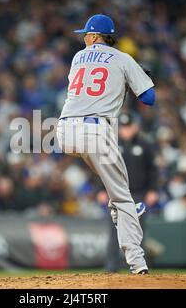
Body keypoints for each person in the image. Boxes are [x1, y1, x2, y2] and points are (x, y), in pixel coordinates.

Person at [57, 14, 156, 274]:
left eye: (85, 35)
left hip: (64, 131)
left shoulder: (78, 57)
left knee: (116, 192)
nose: (84, 39)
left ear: (93, 36)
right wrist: (137, 76)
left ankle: (117, 209)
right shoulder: (124, 58)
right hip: (96, 132)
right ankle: (138, 263)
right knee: (125, 200)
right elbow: (149, 98)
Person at [105, 112, 158, 272]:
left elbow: (153, 170)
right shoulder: (113, 144)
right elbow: (104, 168)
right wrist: (101, 190)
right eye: (123, 127)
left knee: (138, 231)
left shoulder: (145, 145)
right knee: (114, 231)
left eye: (129, 127)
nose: (126, 131)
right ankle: (111, 268)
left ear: (135, 127)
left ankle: (139, 267)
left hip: (139, 194)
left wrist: (153, 190)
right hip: (116, 194)